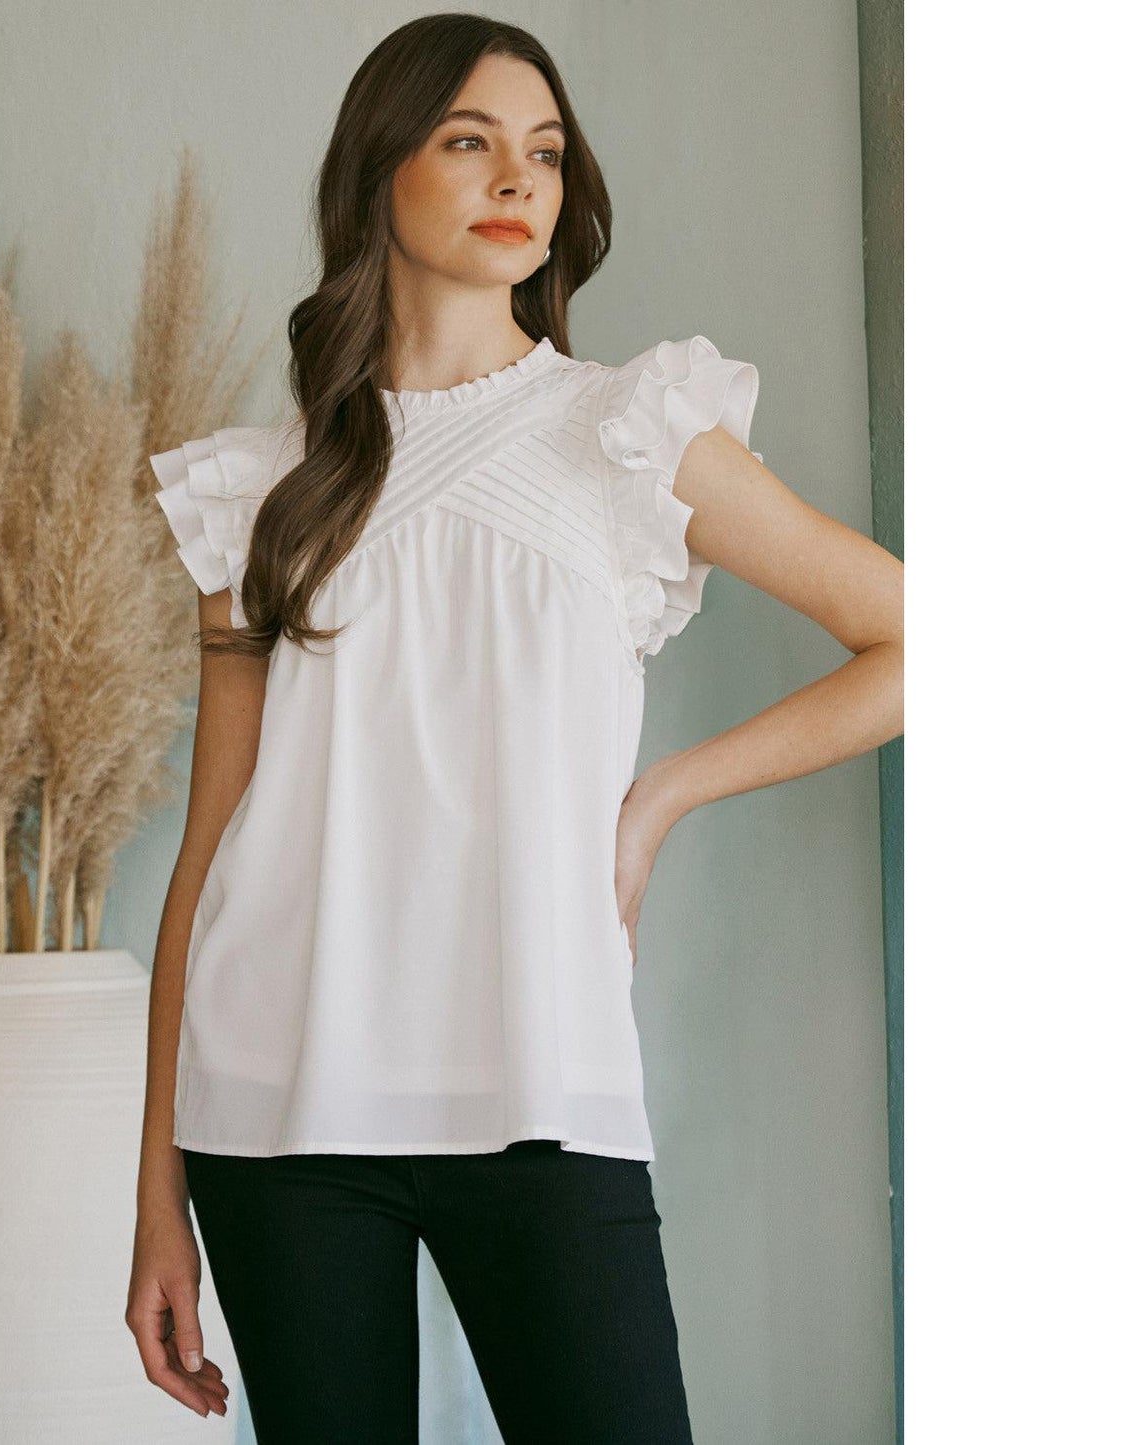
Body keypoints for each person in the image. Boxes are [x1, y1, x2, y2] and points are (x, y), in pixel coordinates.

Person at [125, 15, 903, 1443]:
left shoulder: (628, 435)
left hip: (542, 1082)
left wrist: (660, 797)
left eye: (543, 153)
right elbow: (210, 853)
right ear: (378, 171)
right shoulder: (266, 491)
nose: (516, 180)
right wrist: (155, 1199)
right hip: (275, 1110)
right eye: (468, 141)